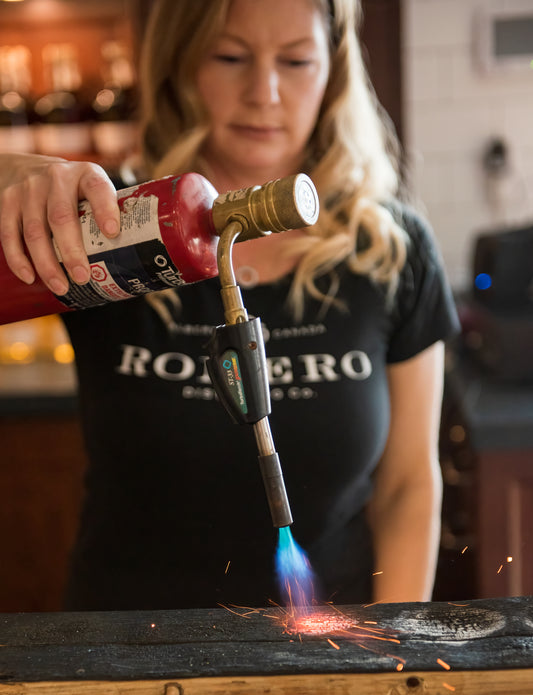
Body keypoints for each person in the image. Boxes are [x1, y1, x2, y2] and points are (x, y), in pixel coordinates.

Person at [0, 0, 459, 611]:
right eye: (230, 56)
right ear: (179, 65)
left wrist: (391, 659)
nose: (264, 92)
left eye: (295, 60)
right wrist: (12, 176)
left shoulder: (392, 251)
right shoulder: (115, 232)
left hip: (337, 645)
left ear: (333, 73)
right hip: (126, 647)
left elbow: (406, 486)